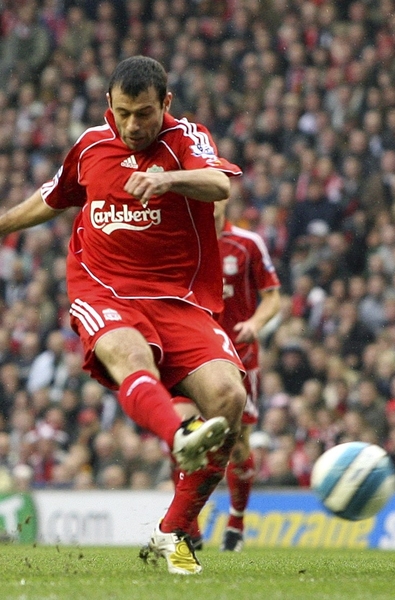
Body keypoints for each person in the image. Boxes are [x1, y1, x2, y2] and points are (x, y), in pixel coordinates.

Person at [0, 56, 247, 575]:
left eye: (146, 114)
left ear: (167, 105)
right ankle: (179, 438)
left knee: (229, 400)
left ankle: (171, 532)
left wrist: (169, 181)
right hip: (104, 287)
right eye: (125, 113)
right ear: (109, 104)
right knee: (131, 354)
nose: (135, 125)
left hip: (180, 299)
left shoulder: (187, 139)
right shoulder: (91, 145)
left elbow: (219, 185)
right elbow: (53, 197)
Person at [211, 198, 281, 552]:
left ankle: (235, 525)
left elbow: (273, 297)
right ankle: (187, 528)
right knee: (184, 438)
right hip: (190, 357)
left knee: (237, 445)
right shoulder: (179, 240)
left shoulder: (247, 244)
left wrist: (255, 322)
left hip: (239, 358)